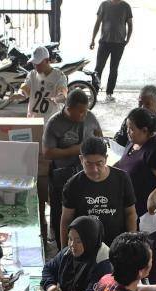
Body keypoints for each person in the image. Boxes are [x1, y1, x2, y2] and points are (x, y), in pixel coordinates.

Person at [117, 107, 156, 284]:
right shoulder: (135, 141)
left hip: (152, 212)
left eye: (131, 129)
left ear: (145, 131)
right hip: (134, 206)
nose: (128, 132)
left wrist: (153, 196)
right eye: (127, 128)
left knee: (152, 252)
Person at [44, 89, 102, 239]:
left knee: (83, 210)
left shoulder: (90, 117)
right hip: (62, 175)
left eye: (86, 110)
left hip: (86, 174)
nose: (84, 115)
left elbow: (98, 134)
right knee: (60, 212)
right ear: (69, 109)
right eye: (80, 112)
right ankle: (60, 245)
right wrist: (73, 150)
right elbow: (48, 152)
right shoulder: (55, 123)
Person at [62, 136, 137, 248]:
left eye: (99, 163)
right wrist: (64, 252)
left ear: (106, 159)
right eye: (89, 164)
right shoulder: (73, 185)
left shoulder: (122, 178)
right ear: (81, 159)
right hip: (85, 246)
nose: (94, 169)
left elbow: (130, 213)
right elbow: (66, 220)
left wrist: (131, 242)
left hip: (116, 243)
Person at [113, 85, 156, 156]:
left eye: (147, 104)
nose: (143, 107)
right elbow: (121, 139)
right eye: (140, 103)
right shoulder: (131, 120)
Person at [90, 0, 133, 102]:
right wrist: (93, 39)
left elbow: (130, 24)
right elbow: (98, 22)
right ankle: (94, 92)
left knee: (114, 69)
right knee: (98, 68)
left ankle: (109, 93)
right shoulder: (104, 5)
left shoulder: (125, 6)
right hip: (104, 42)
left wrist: (128, 39)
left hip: (119, 44)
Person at [20, 46, 68, 123]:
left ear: (47, 61)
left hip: (51, 122)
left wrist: (56, 99)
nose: (36, 67)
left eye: (38, 64)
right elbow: (25, 89)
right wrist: (20, 94)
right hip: (33, 120)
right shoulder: (32, 75)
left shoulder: (59, 76)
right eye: (34, 64)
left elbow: (63, 94)